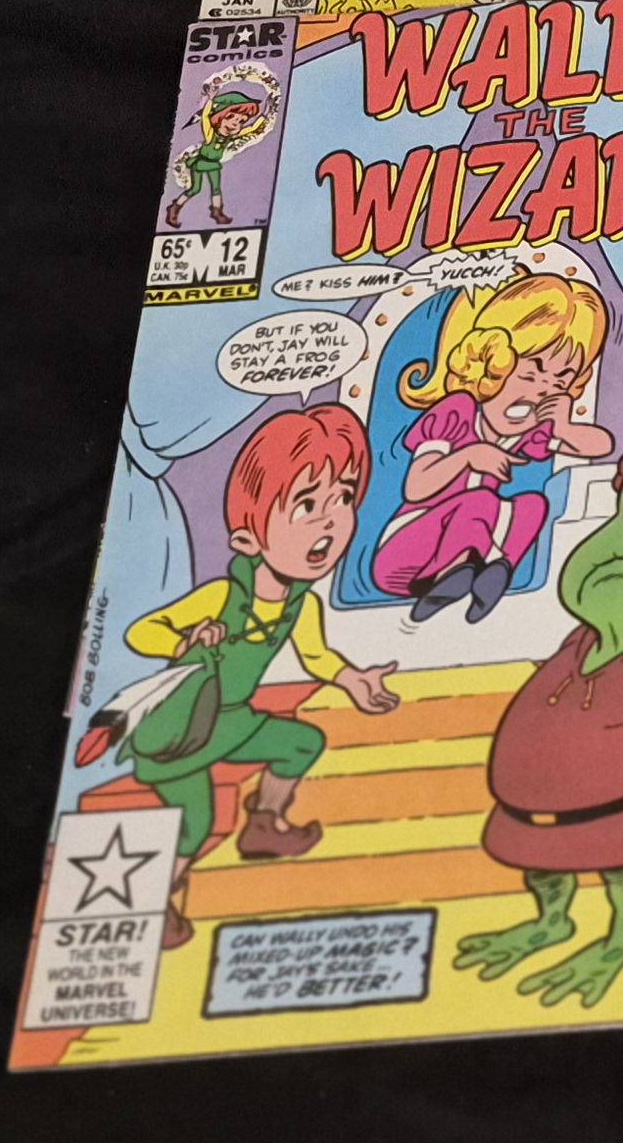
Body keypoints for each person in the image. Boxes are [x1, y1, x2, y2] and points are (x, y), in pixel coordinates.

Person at [86, 405, 402, 948]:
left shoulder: (301, 605)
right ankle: (157, 903)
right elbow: (141, 633)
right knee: (196, 823)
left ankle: (264, 825)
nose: (330, 520)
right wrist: (184, 640)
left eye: (343, 498)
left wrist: (352, 679)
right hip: (178, 732)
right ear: (247, 540)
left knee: (301, 742)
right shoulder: (222, 597)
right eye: (306, 504)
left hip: (232, 720)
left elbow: (317, 657)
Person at [372, 271, 614, 622]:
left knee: (532, 505)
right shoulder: (456, 411)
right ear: (491, 364)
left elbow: (601, 444)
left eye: (560, 381)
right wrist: (469, 455)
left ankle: (495, 571)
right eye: (530, 374)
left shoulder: (529, 432)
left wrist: (563, 427)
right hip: (403, 554)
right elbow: (417, 487)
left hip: (471, 553)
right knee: (482, 501)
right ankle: (449, 575)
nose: (541, 390)